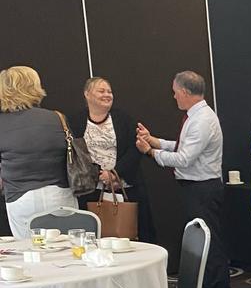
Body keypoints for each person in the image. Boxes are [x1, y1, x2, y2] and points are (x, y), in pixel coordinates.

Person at [136, 71, 232, 288]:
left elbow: (184, 158)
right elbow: (183, 146)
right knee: (204, 242)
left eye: (176, 91)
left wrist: (150, 152)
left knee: (210, 244)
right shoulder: (196, 116)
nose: (174, 96)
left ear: (186, 92)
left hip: (203, 189)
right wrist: (156, 141)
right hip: (197, 189)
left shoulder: (201, 120)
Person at [67, 76, 155, 242]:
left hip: (126, 188)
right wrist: (99, 174)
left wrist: (115, 173)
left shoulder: (124, 119)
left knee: (133, 236)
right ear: (87, 94)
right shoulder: (74, 121)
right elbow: (74, 155)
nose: (107, 94)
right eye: (101, 91)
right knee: (97, 238)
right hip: (91, 191)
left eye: (109, 91)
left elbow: (135, 149)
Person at [0, 66, 75, 238]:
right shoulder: (57, 118)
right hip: (60, 196)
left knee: (30, 255)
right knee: (65, 253)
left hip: (20, 199)